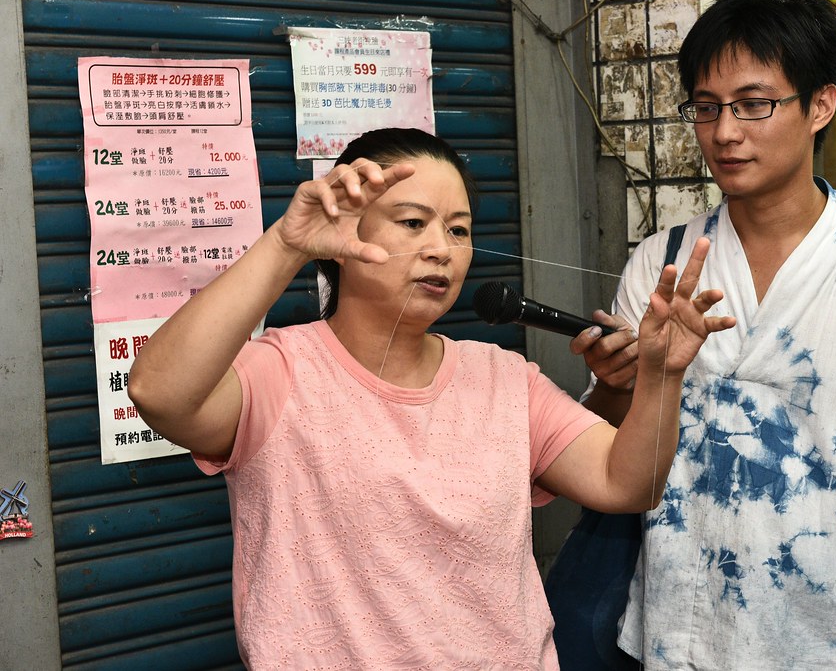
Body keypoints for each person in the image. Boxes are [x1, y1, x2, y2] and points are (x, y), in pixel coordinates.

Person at [127, 127, 735, 669]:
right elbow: (158, 393)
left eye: (460, 229)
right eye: (413, 223)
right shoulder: (281, 372)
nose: (442, 248)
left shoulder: (504, 379)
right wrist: (287, 243)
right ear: (343, 232)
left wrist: (660, 376)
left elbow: (626, 483)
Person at [565, 0, 836, 669]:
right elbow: (613, 461)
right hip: (681, 639)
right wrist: (615, 386)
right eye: (705, 106)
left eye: (754, 104)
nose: (724, 132)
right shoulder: (662, 263)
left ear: (820, 104)